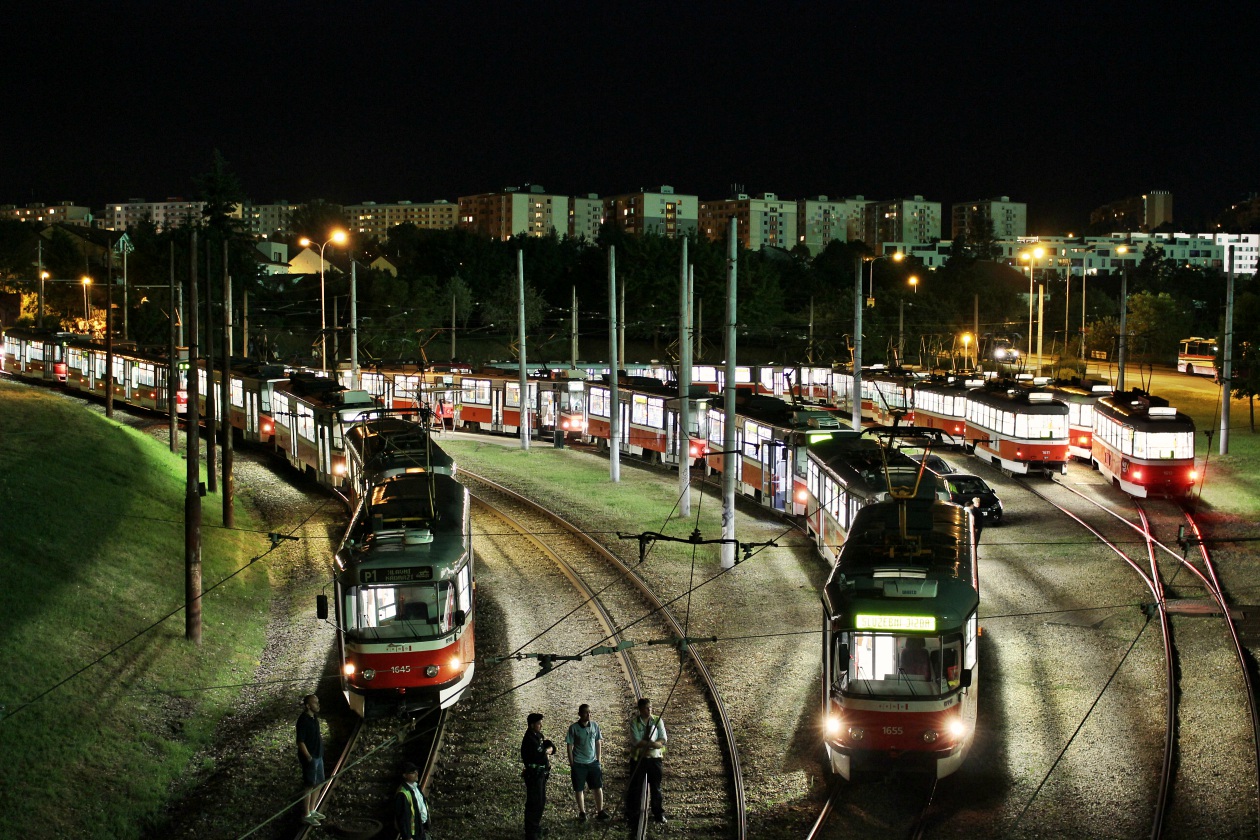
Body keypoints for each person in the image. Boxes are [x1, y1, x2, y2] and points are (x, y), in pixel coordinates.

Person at [625, 697, 668, 827]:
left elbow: (663, 738)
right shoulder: (635, 723)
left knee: (656, 788)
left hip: (655, 759)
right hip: (639, 760)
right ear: (640, 709)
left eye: (650, 707)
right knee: (635, 788)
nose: (649, 710)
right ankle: (633, 814)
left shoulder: (657, 720)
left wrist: (652, 745)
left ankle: (658, 813)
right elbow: (637, 742)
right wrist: (654, 744)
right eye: (646, 708)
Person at [565, 703, 608, 822]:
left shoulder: (595, 725)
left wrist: (598, 760)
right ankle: (582, 812)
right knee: (579, 789)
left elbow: (598, 742)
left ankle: (600, 811)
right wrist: (572, 763)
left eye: (589, 712)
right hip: (579, 763)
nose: (588, 715)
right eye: (585, 712)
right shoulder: (573, 728)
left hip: (593, 762)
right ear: (579, 714)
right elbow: (569, 745)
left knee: (597, 787)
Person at [521, 712, 555, 840]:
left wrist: (549, 749)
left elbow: (549, 745)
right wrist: (546, 751)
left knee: (540, 801)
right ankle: (530, 832)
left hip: (541, 774)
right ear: (532, 725)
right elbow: (539, 753)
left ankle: (535, 827)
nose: (541, 725)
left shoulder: (537, 736)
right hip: (533, 774)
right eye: (538, 723)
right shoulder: (529, 738)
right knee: (533, 802)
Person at [296, 694, 326, 826]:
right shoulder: (303, 720)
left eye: (318, 702)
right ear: (308, 705)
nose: (318, 705)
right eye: (315, 703)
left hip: (318, 755)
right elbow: (300, 741)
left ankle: (313, 810)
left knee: (319, 783)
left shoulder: (314, 718)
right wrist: (308, 756)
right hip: (311, 757)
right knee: (309, 785)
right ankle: (306, 814)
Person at [394, 761, 430, 840]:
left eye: (416, 771)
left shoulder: (416, 787)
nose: (416, 774)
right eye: (413, 772)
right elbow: (402, 818)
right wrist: (408, 837)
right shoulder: (403, 794)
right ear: (404, 775)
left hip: (421, 828)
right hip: (414, 834)